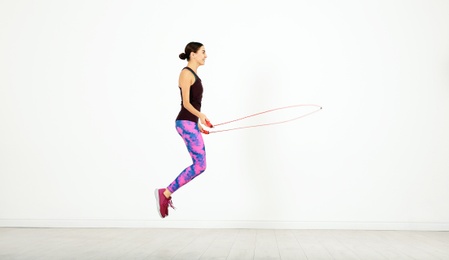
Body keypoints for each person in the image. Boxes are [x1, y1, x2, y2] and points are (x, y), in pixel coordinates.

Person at [155, 42, 211, 218]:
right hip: (185, 123)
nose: (205, 55)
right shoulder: (185, 74)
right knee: (200, 165)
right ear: (193, 54)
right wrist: (200, 116)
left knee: (200, 165)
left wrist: (198, 124)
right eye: (203, 52)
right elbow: (186, 103)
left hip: (190, 123)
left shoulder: (193, 74)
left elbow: (191, 105)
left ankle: (166, 193)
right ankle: (165, 193)